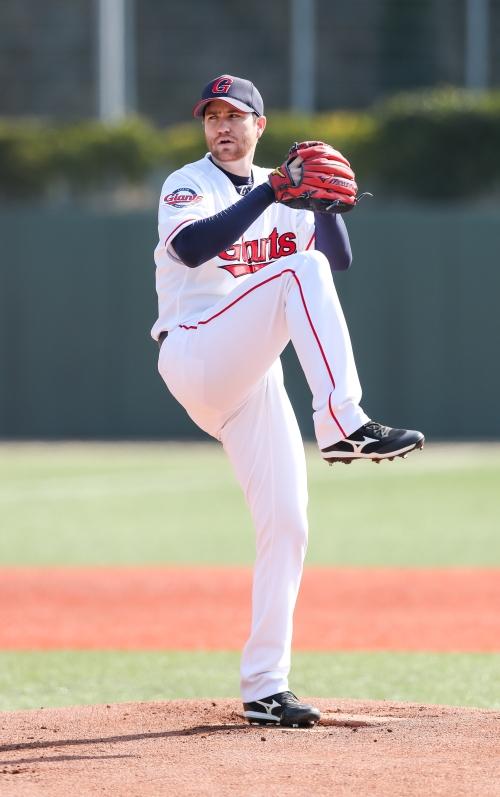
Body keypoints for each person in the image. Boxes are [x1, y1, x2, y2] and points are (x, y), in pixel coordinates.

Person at [151, 74, 424, 728]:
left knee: (288, 524)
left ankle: (265, 688)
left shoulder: (284, 189)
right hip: (195, 351)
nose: (222, 126)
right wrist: (275, 190)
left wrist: (325, 206)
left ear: (260, 125)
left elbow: (337, 260)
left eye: (234, 115)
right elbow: (191, 246)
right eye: (212, 116)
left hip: (252, 376)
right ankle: (343, 421)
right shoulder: (189, 183)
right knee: (298, 271)